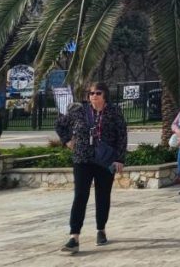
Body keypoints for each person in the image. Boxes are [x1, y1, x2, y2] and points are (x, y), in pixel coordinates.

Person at [55, 82, 127, 254]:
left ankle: (101, 229)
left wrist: (119, 159)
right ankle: (74, 237)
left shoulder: (114, 111)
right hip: (82, 159)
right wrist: (67, 140)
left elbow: (122, 135)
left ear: (105, 95)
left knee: (102, 195)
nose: (94, 96)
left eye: (98, 93)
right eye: (91, 93)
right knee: (80, 195)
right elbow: (60, 124)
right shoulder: (78, 111)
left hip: (105, 160)